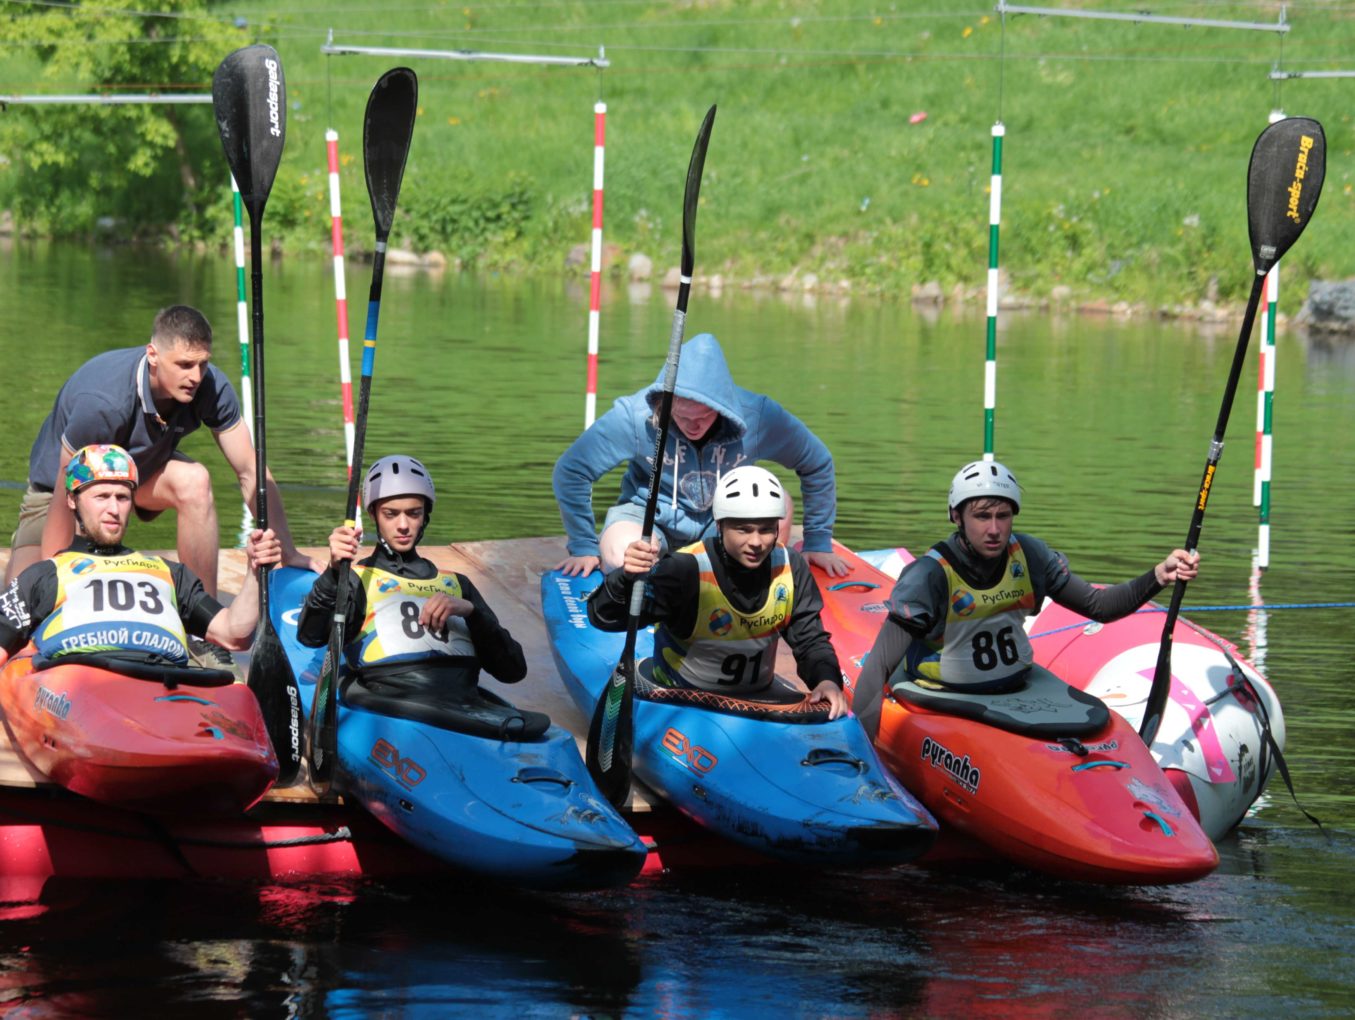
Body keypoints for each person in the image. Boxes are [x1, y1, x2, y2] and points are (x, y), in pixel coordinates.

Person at [851, 460, 1200, 740]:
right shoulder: (929, 576)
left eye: (1003, 516)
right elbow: (878, 668)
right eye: (981, 516)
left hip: (1019, 692)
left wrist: (1159, 575)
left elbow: (1099, 608)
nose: (994, 529)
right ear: (956, 516)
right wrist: (867, 761)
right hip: (946, 697)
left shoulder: (1030, 556)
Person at [5, 305, 318, 607]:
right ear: (152, 355)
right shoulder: (102, 401)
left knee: (195, 481)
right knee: (20, 601)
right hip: (62, 490)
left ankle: (202, 625)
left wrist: (288, 551)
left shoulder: (211, 387)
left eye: (203, 364)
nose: (196, 376)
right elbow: (65, 488)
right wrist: (50, 582)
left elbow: (251, 470)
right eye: (184, 365)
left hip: (140, 475)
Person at [553, 332, 850, 579]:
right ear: (664, 403)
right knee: (621, 555)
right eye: (682, 416)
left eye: (704, 417)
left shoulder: (758, 416)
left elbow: (817, 462)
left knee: (778, 503)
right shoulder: (633, 417)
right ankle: (649, 594)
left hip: (723, 523)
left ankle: (749, 583)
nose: (693, 426)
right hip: (647, 519)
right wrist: (583, 545)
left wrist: (818, 541)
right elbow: (572, 470)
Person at [587, 464, 847, 719]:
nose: (756, 542)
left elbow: (810, 638)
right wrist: (625, 578)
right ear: (720, 526)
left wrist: (826, 679)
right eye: (743, 529)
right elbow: (605, 618)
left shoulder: (791, 566)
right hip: (680, 699)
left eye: (766, 529)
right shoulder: (684, 569)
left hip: (756, 697)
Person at [0, 445, 281, 673]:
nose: (113, 509)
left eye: (122, 498)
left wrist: (255, 570)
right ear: (73, 501)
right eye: (102, 496)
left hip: (161, 689)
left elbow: (234, 633)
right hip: (81, 695)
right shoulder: (45, 576)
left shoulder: (169, 574)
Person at [296, 455, 529, 713]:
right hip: (390, 711)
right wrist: (333, 572)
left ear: (425, 515)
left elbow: (513, 671)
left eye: (413, 513)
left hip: (462, 711)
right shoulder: (356, 578)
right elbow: (310, 636)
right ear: (374, 514)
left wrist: (472, 613)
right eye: (391, 514)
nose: (404, 525)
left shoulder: (456, 584)